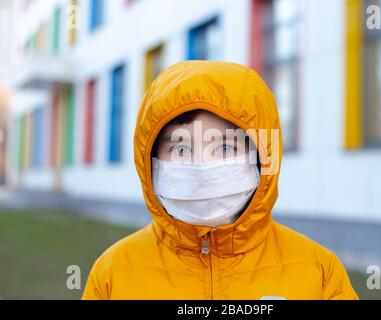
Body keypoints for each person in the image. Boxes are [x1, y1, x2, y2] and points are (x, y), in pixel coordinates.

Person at [82, 60, 359, 300]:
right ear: (150, 160)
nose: (202, 166)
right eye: (180, 149)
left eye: (225, 147)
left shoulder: (318, 274)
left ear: (262, 157)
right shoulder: (114, 275)